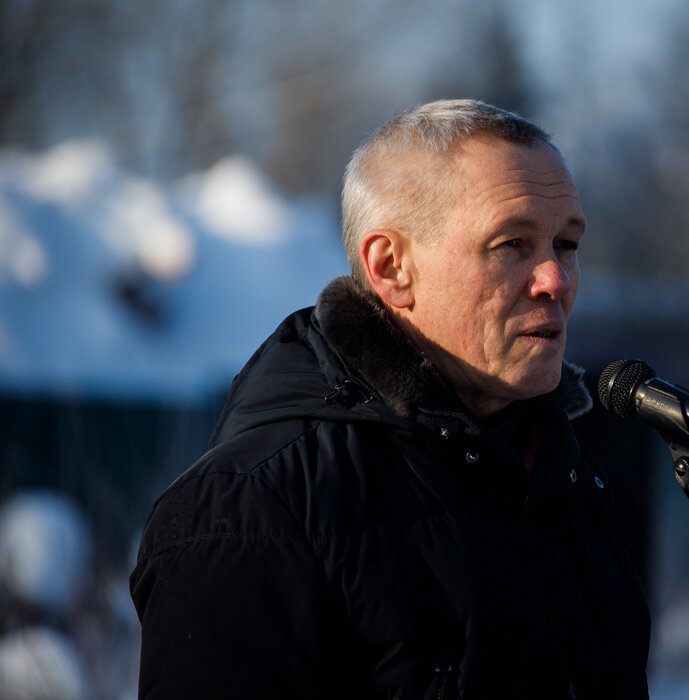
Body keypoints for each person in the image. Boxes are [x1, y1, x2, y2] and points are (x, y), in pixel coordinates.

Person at [130, 99, 651, 699]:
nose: (555, 280)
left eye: (566, 244)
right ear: (392, 267)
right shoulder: (251, 509)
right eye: (512, 244)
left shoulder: (568, 480)